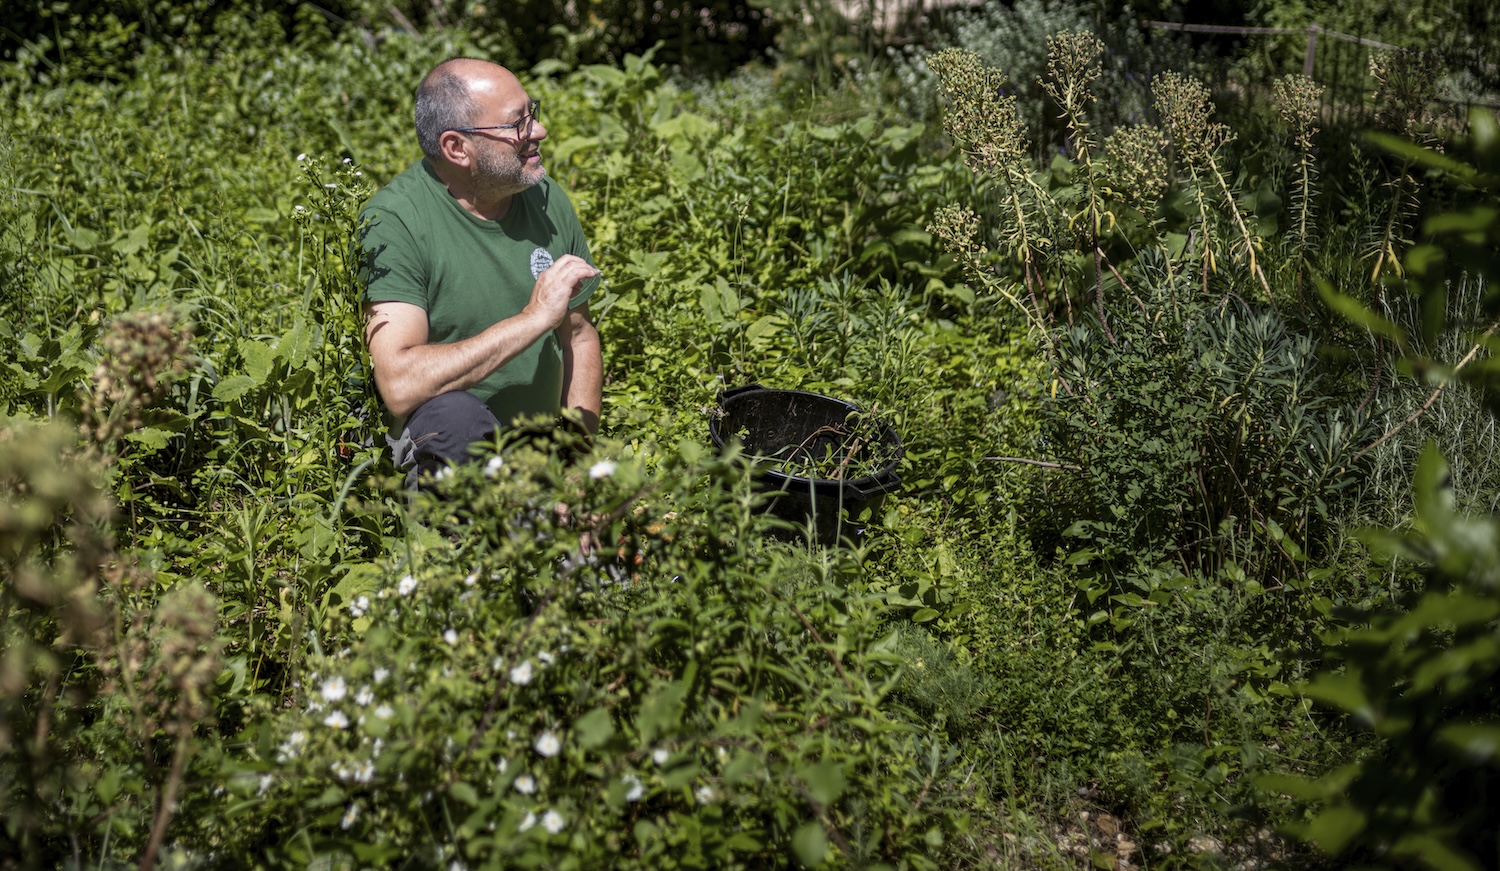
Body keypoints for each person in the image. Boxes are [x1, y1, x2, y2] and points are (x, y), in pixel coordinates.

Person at [358, 58, 602, 485]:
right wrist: (532, 320)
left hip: (541, 458)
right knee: (456, 417)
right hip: (453, 449)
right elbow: (399, 385)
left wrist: (580, 465)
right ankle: (466, 544)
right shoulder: (395, 221)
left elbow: (579, 335)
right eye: (516, 125)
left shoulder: (544, 197)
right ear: (457, 148)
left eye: (532, 113)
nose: (538, 132)